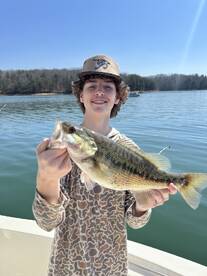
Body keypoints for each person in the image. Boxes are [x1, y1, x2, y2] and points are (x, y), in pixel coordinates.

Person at [32, 54, 177, 276]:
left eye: (108, 87)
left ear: (118, 97)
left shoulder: (130, 149)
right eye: (91, 86)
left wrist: (142, 206)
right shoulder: (59, 151)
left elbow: (134, 222)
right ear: (80, 95)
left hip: (112, 266)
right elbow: (46, 222)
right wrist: (46, 178)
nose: (99, 92)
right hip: (66, 266)